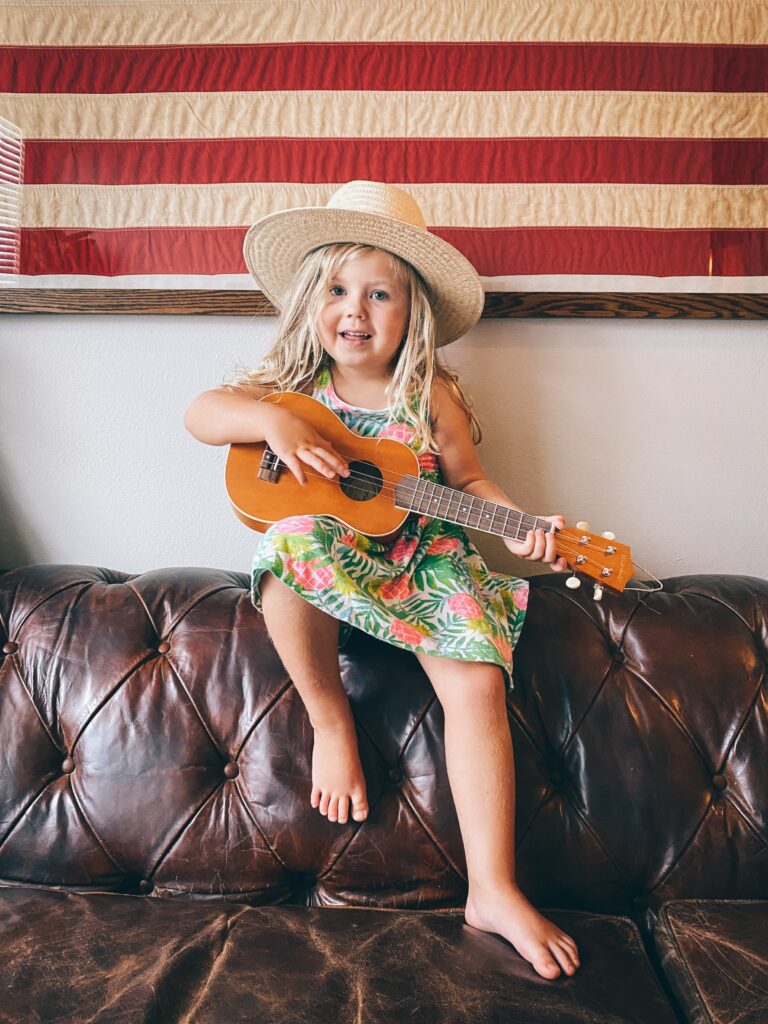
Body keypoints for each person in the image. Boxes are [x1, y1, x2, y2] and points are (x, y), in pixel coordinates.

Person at [184, 180, 580, 980]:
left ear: (413, 312)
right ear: (311, 302)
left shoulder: (430, 395)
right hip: (335, 556)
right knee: (290, 548)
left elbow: (467, 484)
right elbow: (200, 413)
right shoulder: (292, 394)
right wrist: (271, 421)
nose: (354, 309)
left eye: (379, 293)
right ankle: (333, 724)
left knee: (476, 681)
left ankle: (492, 887)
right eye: (336, 289)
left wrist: (525, 526)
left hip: (427, 560)